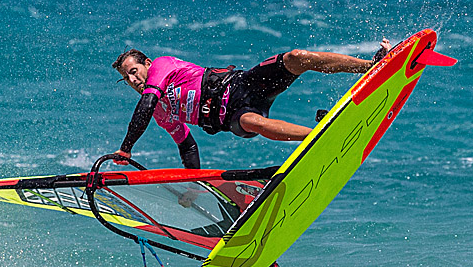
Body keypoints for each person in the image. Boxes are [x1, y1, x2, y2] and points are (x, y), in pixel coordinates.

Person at [111, 40, 391, 171]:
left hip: (243, 85)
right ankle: (319, 134)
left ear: (147, 64)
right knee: (250, 123)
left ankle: (371, 65)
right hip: (232, 116)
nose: (133, 79)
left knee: (296, 57)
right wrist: (192, 181)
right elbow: (187, 145)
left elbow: (147, 101)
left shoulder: (161, 67)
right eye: (127, 78)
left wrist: (126, 147)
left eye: (134, 71)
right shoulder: (161, 112)